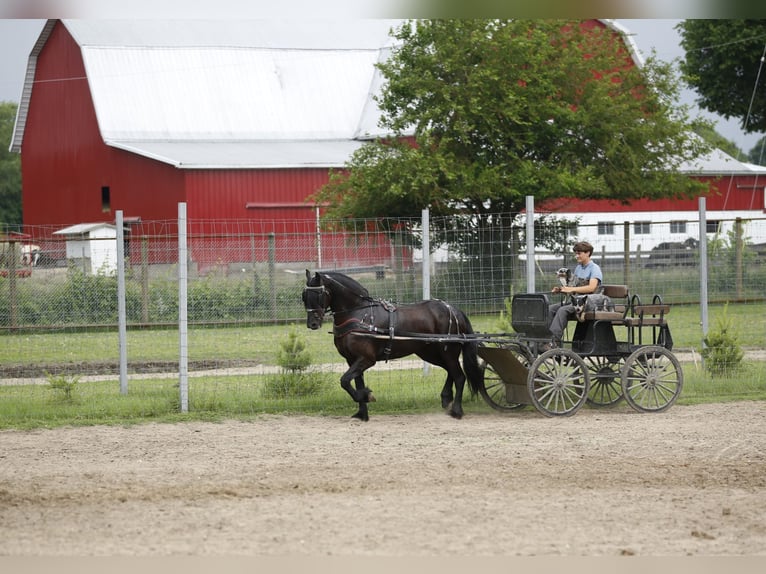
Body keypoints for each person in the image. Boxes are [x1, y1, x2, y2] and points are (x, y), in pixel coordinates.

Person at [545, 241, 603, 349]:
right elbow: (573, 286)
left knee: (562, 310)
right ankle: (545, 338)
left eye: (579, 253)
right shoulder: (578, 268)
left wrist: (571, 289)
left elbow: (592, 288)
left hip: (588, 303)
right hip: (576, 301)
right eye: (576, 253)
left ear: (588, 253)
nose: (576, 256)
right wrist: (561, 289)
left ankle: (554, 341)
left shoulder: (594, 268)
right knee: (550, 309)